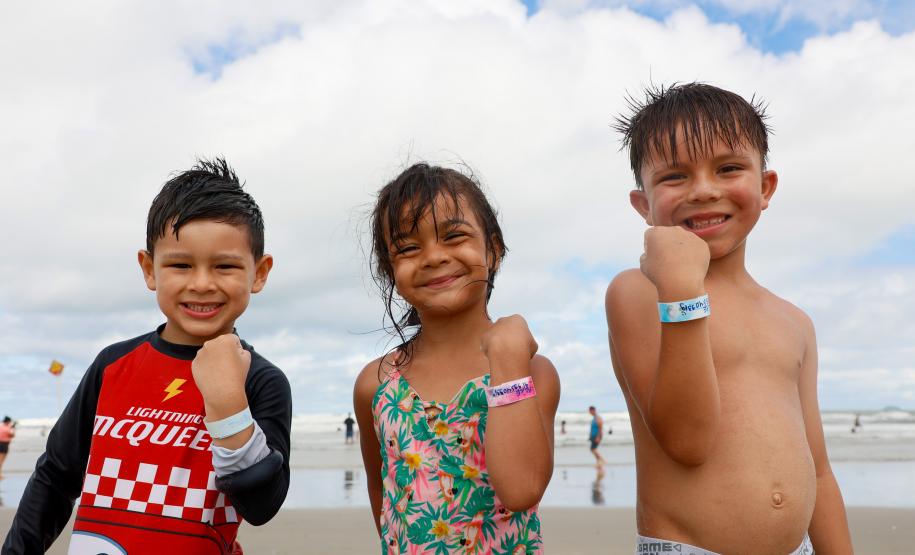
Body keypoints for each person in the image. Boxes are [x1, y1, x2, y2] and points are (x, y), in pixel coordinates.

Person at [605, 83, 853, 555]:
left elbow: (818, 470)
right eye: (675, 176)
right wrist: (681, 289)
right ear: (644, 205)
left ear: (765, 188)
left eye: (729, 168)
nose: (704, 190)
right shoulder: (638, 293)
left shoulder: (794, 321)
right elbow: (687, 441)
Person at [3, 159, 292, 555]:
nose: (202, 283)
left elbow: (262, 505)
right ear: (149, 268)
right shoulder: (112, 365)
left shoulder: (261, 380)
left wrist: (228, 405)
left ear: (258, 273)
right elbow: (56, 476)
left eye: (225, 266)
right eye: (180, 264)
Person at [353, 163, 560, 553]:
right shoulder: (376, 384)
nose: (433, 257)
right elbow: (383, 497)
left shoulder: (531, 372)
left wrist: (508, 362)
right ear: (389, 270)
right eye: (409, 248)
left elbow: (521, 489)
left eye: (454, 236)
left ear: (493, 250)